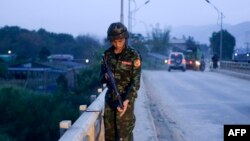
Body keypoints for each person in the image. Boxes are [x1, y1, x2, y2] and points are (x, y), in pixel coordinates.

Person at [100, 22, 141, 141]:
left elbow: (136, 82)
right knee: (110, 136)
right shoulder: (107, 55)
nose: (117, 44)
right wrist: (106, 76)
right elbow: (101, 77)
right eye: (114, 41)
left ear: (125, 38)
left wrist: (127, 100)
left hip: (125, 102)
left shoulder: (133, 55)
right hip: (110, 102)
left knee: (124, 136)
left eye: (120, 41)